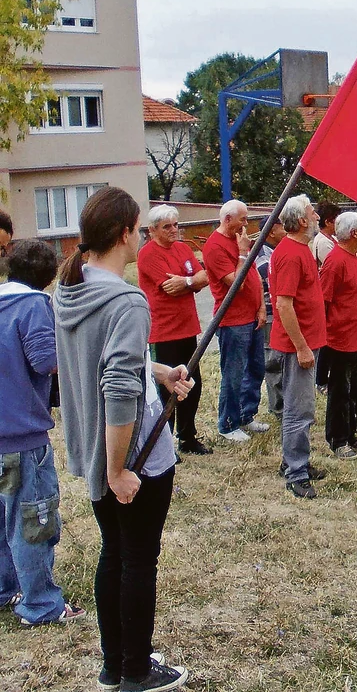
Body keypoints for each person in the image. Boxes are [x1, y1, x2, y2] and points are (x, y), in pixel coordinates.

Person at [54, 187, 193, 692]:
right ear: (123, 233)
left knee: (114, 552)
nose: (139, 237)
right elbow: (115, 388)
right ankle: (136, 670)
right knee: (137, 560)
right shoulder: (127, 299)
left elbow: (112, 362)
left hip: (93, 450)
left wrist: (157, 371)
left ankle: (114, 665)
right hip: (131, 456)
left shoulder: (70, 290)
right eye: (137, 228)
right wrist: (119, 470)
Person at [0, 239, 86, 628]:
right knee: (32, 520)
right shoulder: (33, 306)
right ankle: (40, 604)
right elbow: (46, 360)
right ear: (49, 276)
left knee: (3, 518)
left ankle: (6, 589)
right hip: (21, 436)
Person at [137, 204, 211, 455]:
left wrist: (188, 281)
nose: (173, 230)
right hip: (163, 331)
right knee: (165, 388)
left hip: (187, 328)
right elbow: (170, 286)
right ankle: (163, 441)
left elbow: (204, 276)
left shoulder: (182, 248)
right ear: (152, 230)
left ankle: (187, 436)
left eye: (175, 225)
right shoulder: (148, 254)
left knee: (192, 384)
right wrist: (191, 282)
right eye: (166, 226)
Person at [268, 195, 326, 499]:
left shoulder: (300, 250)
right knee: (298, 409)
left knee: (302, 407)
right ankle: (296, 472)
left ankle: (294, 460)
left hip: (306, 342)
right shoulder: (290, 254)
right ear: (302, 220)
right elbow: (283, 305)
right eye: (312, 212)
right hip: (297, 347)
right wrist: (302, 347)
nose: (316, 215)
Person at [202, 200, 268, 442]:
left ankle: (246, 415)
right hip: (232, 321)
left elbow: (254, 277)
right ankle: (228, 423)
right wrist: (241, 253)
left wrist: (261, 307)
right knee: (234, 373)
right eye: (242, 219)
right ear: (227, 219)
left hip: (252, 317)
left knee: (256, 368)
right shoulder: (214, 247)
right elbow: (236, 284)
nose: (246, 224)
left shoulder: (240, 242)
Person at [319, 211, 357, 457]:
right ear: (354, 233)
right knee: (340, 393)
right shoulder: (335, 261)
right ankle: (337, 439)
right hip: (340, 340)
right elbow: (324, 301)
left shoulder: (353, 257)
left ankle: (350, 435)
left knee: (353, 391)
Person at [253, 213, 288, 418]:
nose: (285, 229)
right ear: (272, 230)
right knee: (273, 361)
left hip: (277, 312)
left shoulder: (275, 250)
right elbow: (270, 277)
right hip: (269, 313)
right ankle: (279, 407)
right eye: (281, 226)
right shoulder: (262, 254)